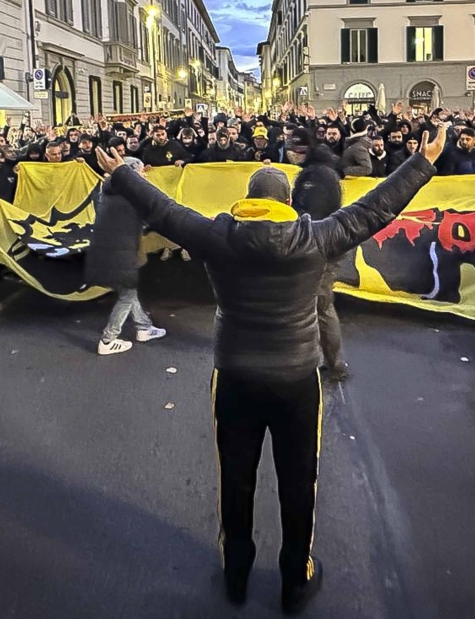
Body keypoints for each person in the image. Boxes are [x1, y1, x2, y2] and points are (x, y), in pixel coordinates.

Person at [95, 127, 447, 614]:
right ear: (288, 200)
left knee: (235, 480)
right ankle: (294, 582)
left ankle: (236, 575)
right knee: (299, 482)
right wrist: (422, 162)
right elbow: (375, 209)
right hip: (297, 378)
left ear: (248, 199)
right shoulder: (315, 236)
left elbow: (164, 211)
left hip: (235, 375)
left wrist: (119, 173)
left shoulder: (219, 234)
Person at [84, 157, 166, 355]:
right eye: (140, 172)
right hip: (122, 253)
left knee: (127, 290)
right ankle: (108, 339)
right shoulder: (133, 196)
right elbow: (156, 216)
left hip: (106, 250)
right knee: (127, 294)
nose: (144, 175)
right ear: (130, 174)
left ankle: (144, 328)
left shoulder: (107, 190)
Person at [286, 129, 349, 383]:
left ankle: (331, 364)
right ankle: (327, 362)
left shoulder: (317, 175)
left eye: (294, 151)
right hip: (325, 243)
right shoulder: (320, 169)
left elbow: (311, 213)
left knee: (319, 305)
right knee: (318, 304)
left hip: (319, 246)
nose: (290, 156)